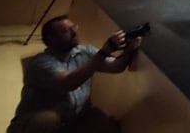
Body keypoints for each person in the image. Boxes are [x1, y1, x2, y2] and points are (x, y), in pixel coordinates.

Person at [8, 16, 141, 132]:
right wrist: (104, 51)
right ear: (51, 39)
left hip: (70, 120)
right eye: (66, 30)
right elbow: (68, 83)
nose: (74, 32)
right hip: (33, 125)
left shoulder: (85, 52)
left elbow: (116, 67)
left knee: (104, 124)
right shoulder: (41, 63)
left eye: (73, 27)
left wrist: (129, 48)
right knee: (48, 119)